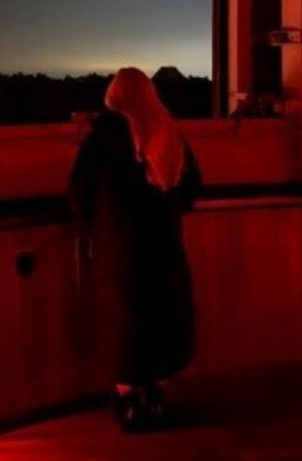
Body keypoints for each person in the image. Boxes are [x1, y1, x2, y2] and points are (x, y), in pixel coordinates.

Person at [69, 66, 202, 432]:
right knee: (160, 319)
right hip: (166, 251)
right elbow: (191, 189)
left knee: (123, 326)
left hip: (119, 255)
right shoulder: (170, 134)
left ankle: (128, 401)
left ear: (114, 97)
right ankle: (154, 396)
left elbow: (80, 195)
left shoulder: (101, 139)